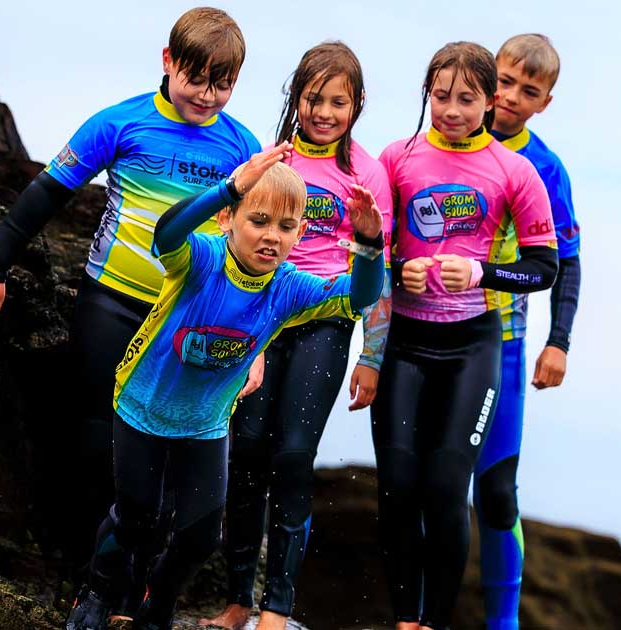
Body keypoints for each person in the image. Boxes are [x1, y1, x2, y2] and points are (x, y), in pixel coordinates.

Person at [0, 6, 263, 600]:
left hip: (187, 321)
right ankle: (87, 580)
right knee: (100, 443)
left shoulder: (243, 149)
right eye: (196, 78)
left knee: (168, 450)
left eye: (222, 84)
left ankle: (140, 588)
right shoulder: (120, 123)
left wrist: (256, 347)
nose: (207, 95)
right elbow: (45, 195)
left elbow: (257, 255)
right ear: (167, 61)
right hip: (111, 305)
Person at [65, 143, 386, 630]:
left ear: (300, 233)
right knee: (136, 518)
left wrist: (368, 242)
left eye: (286, 227)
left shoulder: (288, 289)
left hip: (205, 423)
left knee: (200, 538)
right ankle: (97, 589)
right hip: (142, 405)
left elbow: (360, 296)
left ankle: (158, 606)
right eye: (258, 220)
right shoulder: (201, 260)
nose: (271, 236)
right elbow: (167, 232)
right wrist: (229, 188)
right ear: (227, 219)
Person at [200, 41, 393, 630]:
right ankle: (238, 599)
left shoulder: (367, 174)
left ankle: (277, 608)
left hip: (325, 323)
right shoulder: (270, 162)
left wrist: (372, 355)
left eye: (338, 102)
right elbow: (227, 240)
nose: (324, 113)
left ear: (357, 105)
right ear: (295, 97)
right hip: (261, 320)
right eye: (313, 99)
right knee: (246, 452)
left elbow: (377, 268)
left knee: (291, 455)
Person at [373, 41, 558, 630]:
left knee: (447, 490)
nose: (452, 110)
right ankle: (406, 619)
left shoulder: (516, 171)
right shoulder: (397, 158)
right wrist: (395, 266)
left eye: (467, 99)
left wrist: (482, 273)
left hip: (471, 347)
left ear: (489, 101)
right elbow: (365, 250)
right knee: (397, 487)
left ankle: (436, 622)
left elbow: (544, 268)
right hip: (405, 342)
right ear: (427, 93)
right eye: (441, 96)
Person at [473, 33, 583, 630]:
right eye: (506, 81)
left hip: (505, 344)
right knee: (429, 487)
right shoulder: (447, 135)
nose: (512, 96)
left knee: (495, 491)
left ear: (545, 102)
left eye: (529, 91)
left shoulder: (545, 167)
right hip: (432, 333)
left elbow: (566, 262)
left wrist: (558, 342)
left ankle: (504, 623)